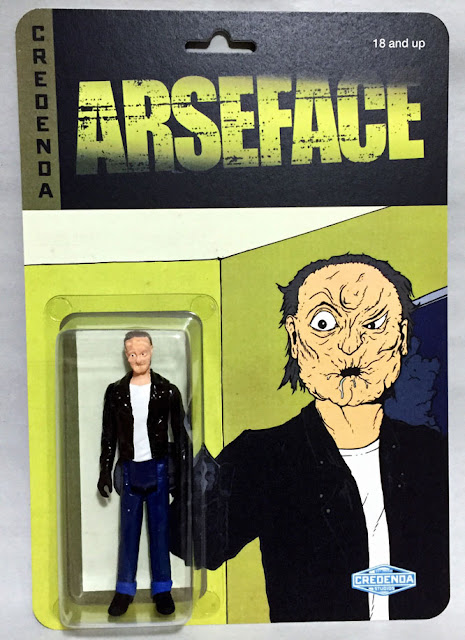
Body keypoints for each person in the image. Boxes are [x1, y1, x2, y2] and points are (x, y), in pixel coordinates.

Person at [196, 254, 448, 622]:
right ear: (295, 338)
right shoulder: (263, 456)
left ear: (402, 337)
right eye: (324, 323)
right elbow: (197, 545)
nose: (350, 344)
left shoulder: (434, 454)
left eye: (374, 323)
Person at [97, 330, 188, 617]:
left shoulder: (168, 391)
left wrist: (184, 473)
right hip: (129, 470)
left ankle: (162, 589)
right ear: (126, 355)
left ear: (152, 351)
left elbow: (181, 435)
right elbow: (108, 436)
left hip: (158, 469)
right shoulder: (115, 392)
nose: (138, 359)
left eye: (143, 353)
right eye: (132, 354)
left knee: (160, 532)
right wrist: (104, 471)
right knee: (128, 534)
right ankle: (124, 589)